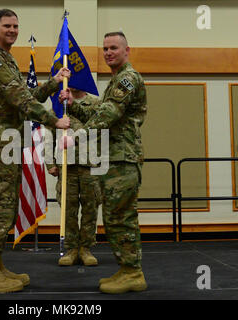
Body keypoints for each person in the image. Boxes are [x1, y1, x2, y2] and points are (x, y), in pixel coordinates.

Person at [0, 8, 71, 293]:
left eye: (16, 26)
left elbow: (27, 95)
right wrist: (55, 120)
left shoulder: (8, 61)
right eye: (7, 26)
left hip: (9, 144)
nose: (13, 30)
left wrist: (54, 81)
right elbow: (21, 100)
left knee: (5, 207)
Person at [59, 31, 147, 294]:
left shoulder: (128, 79)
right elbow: (98, 111)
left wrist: (79, 137)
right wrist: (73, 105)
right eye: (105, 48)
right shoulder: (116, 80)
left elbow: (109, 113)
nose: (108, 52)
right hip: (113, 158)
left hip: (123, 158)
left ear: (126, 50)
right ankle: (126, 269)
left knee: (122, 217)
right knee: (114, 217)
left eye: (114, 48)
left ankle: (133, 272)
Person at [47, 89, 102, 267]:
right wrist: (50, 163)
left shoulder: (95, 104)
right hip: (66, 165)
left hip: (90, 164)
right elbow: (48, 135)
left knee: (90, 208)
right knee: (68, 208)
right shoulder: (58, 104)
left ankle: (86, 249)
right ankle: (71, 249)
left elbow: (103, 130)